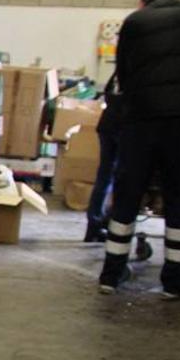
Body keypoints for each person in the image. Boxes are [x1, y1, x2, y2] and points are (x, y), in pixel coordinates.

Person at [99, 0, 180, 298]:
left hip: (141, 121)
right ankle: (176, 282)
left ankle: (111, 275)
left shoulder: (135, 22)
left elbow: (122, 74)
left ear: (143, 0)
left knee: (127, 196)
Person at [83, 71, 121, 243]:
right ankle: (111, 223)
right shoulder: (147, 72)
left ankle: (94, 224)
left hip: (108, 124)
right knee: (122, 178)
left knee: (105, 175)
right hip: (126, 127)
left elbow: (107, 92)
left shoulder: (121, 70)